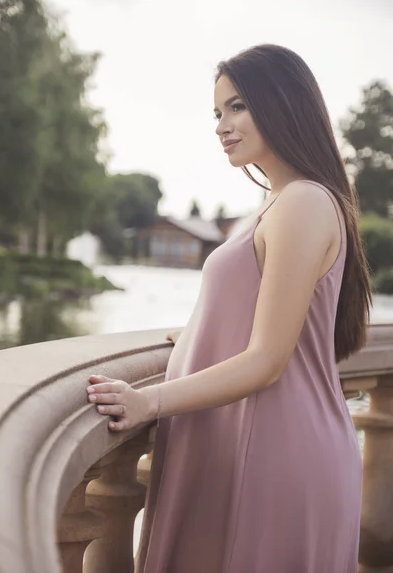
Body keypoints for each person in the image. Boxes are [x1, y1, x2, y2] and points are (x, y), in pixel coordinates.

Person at [86, 44, 372, 572]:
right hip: (255, 445)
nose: (222, 125)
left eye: (237, 106)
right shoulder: (282, 202)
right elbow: (268, 310)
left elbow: (267, 359)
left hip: (270, 456)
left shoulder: (304, 204)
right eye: (218, 112)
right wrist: (202, 335)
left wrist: (148, 403)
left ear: (285, 103)